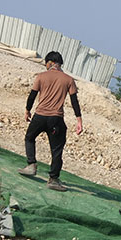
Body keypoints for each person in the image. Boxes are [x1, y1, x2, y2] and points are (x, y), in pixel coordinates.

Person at [18, 51, 83, 191]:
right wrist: (79, 121)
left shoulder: (41, 77)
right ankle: (53, 179)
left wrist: (27, 110)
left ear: (50, 63)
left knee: (29, 138)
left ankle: (31, 165)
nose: (46, 66)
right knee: (56, 150)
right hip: (56, 119)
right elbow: (74, 102)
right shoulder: (69, 80)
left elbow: (32, 96)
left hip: (39, 116)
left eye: (46, 63)